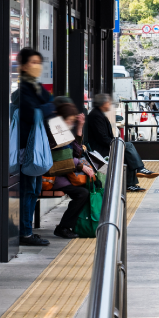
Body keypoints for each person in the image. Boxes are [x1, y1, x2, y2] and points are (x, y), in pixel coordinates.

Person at [17, 48, 57, 247]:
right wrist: (47, 108)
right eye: (33, 62)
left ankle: (28, 230)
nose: (37, 66)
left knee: (34, 189)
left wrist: (47, 107)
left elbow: (50, 104)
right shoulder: (23, 89)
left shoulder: (37, 87)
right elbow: (35, 112)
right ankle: (25, 232)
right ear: (23, 66)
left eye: (38, 62)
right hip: (26, 148)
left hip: (36, 147)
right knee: (28, 189)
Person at [86, 93, 156, 193]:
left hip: (102, 146)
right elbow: (102, 138)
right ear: (103, 103)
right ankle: (139, 170)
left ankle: (131, 182)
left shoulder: (98, 114)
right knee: (127, 146)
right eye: (108, 103)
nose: (110, 105)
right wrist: (116, 144)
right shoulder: (96, 116)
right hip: (99, 150)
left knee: (127, 152)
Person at [49, 99, 95, 239]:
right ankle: (64, 227)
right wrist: (81, 165)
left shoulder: (61, 129)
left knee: (87, 188)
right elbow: (61, 157)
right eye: (69, 120)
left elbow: (77, 151)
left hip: (63, 174)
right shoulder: (54, 130)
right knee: (82, 193)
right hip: (55, 176)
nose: (71, 123)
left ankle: (73, 224)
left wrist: (80, 127)